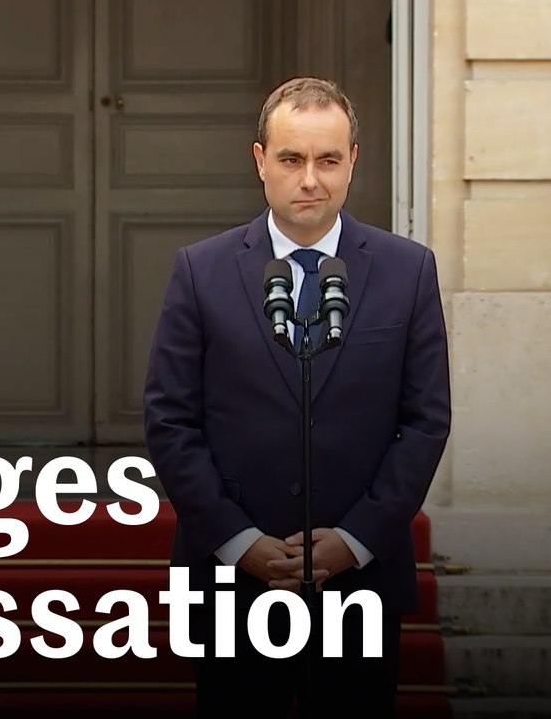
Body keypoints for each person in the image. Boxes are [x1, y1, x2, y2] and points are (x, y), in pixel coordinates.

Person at [142, 76, 451, 717]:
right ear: (260, 161)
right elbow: (170, 420)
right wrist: (239, 541)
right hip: (233, 582)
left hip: (360, 581)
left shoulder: (408, 269)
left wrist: (356, 539)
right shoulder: (201, 270)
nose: (310, 180)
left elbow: (425, 421)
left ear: (353, 161)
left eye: (327, 160)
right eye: (291, 159)